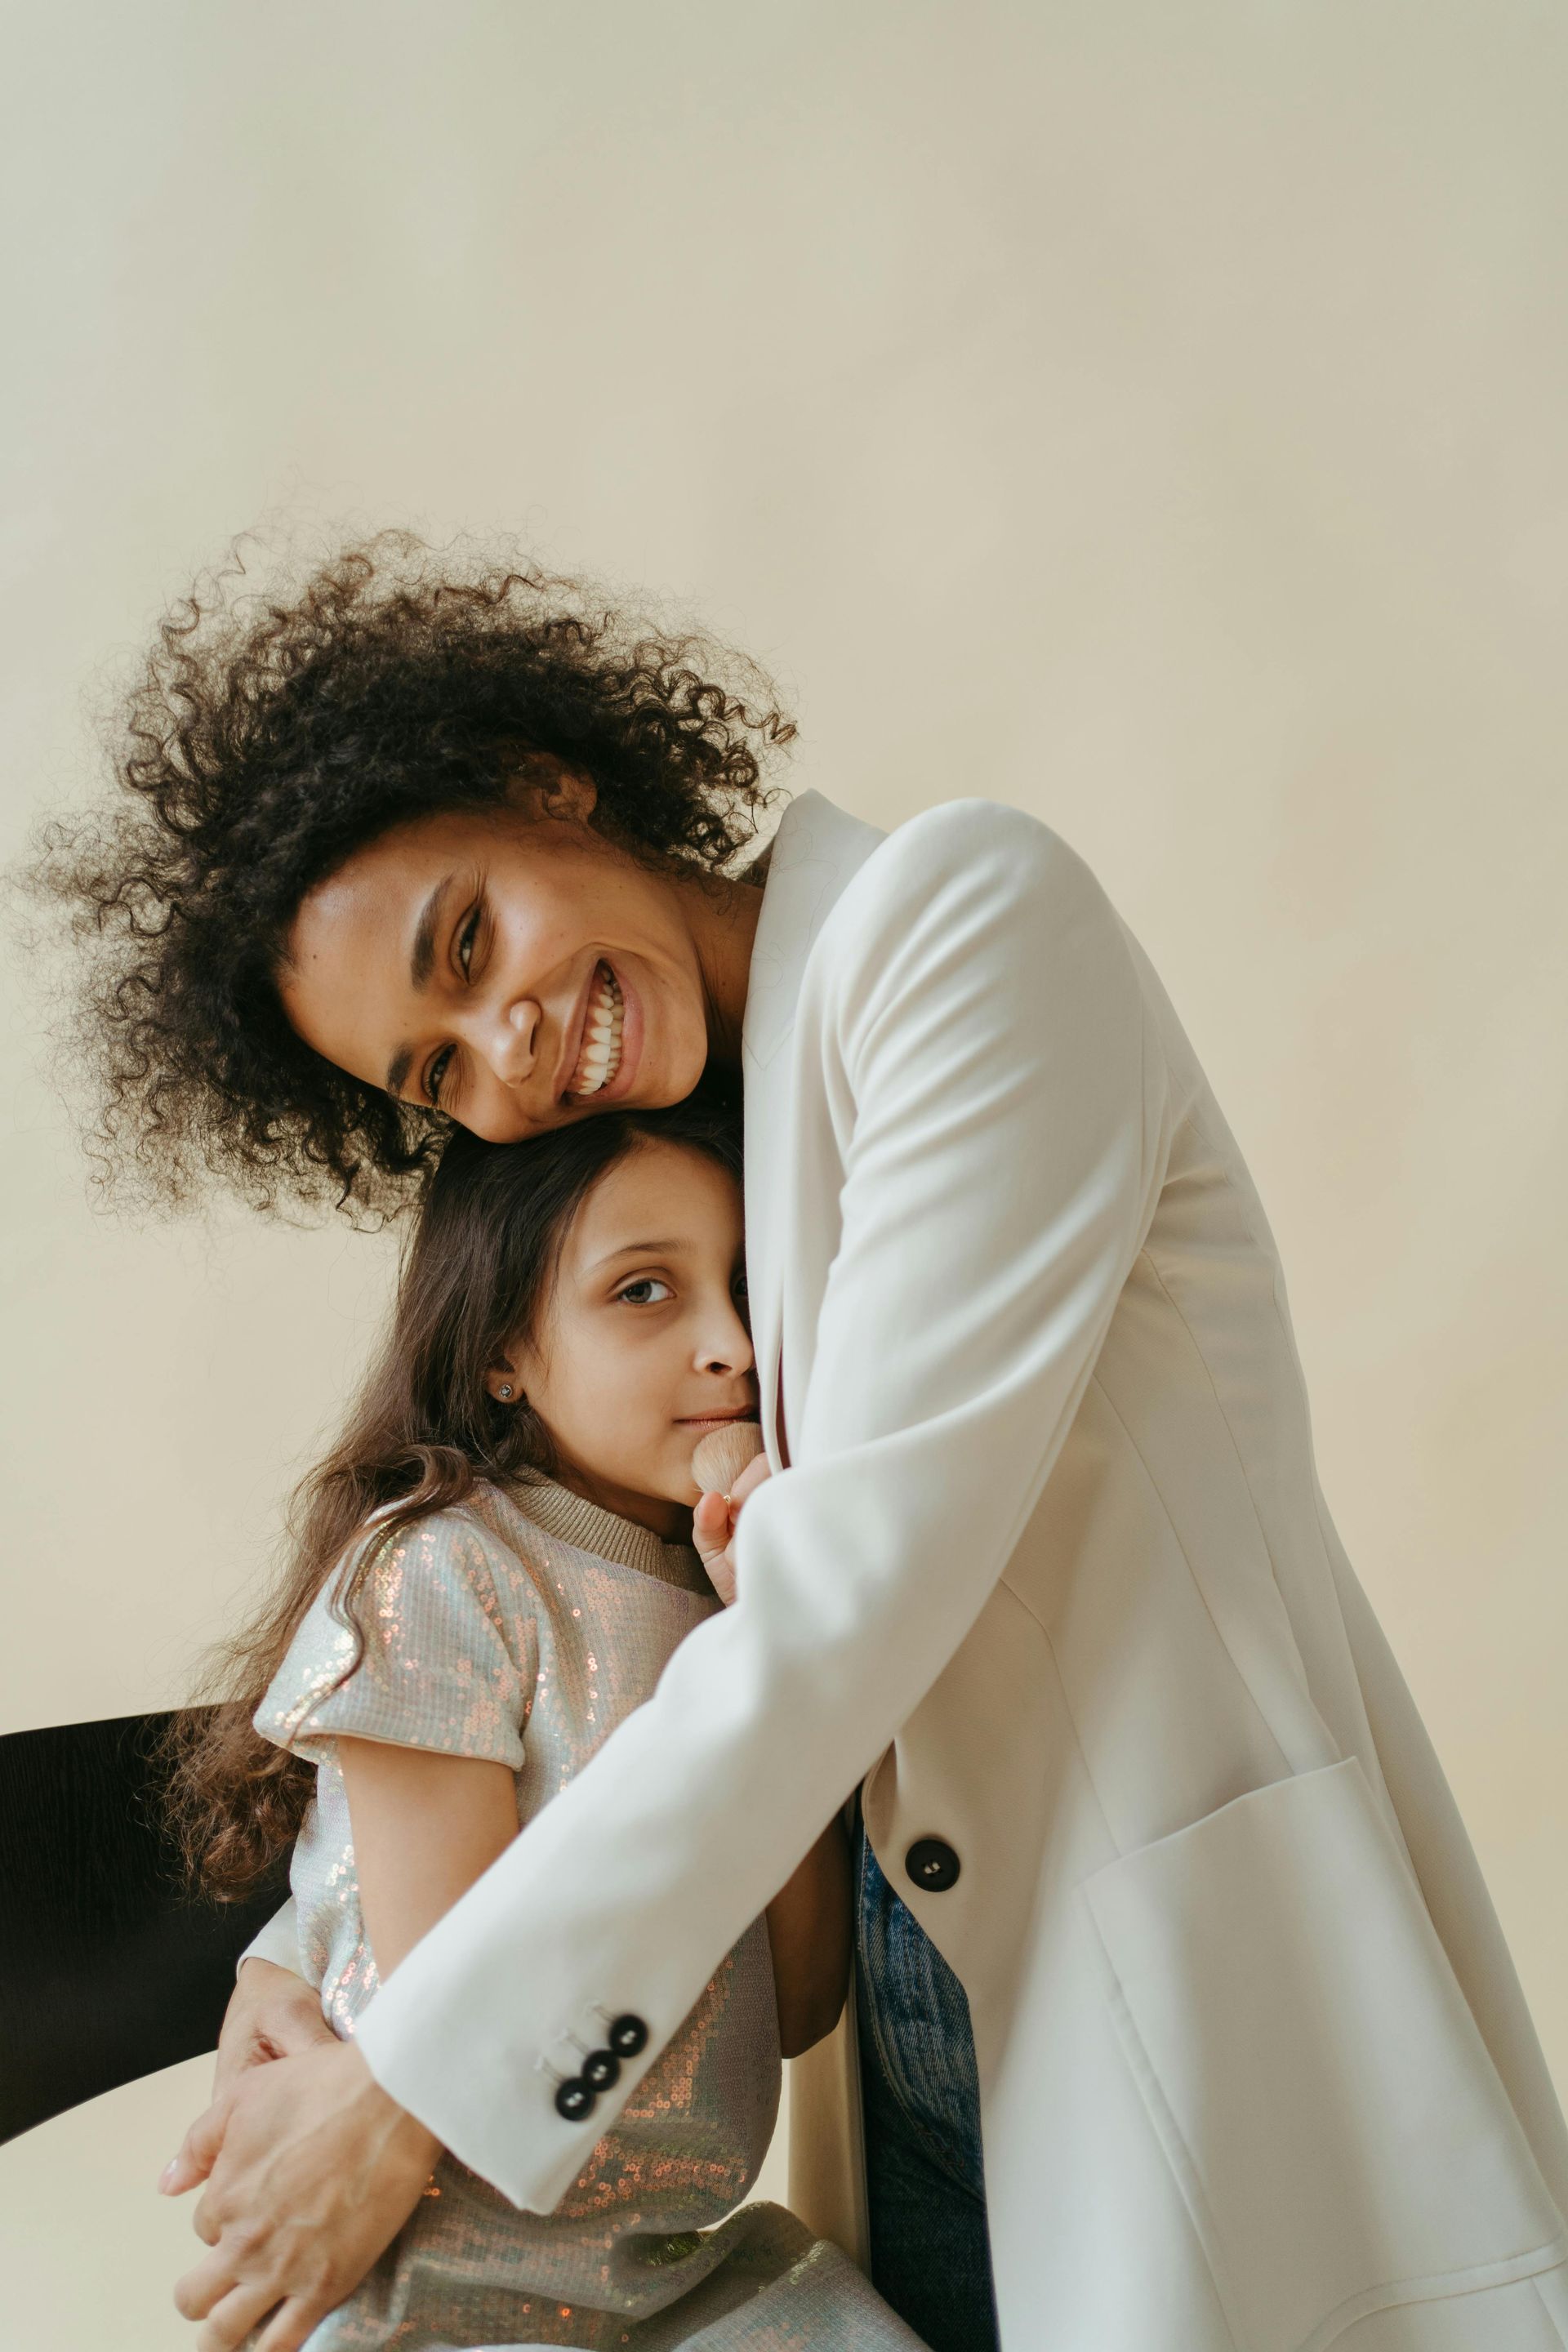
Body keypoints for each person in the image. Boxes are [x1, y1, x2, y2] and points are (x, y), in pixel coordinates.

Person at [46, 535, 1568, 2352]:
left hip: (1172, 1996)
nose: (508, 1047)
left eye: (470, 944)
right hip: (918, 2083)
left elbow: (851, 1593)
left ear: (550, 781)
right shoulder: (697, 1169)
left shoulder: (963, 929)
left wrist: (414, 2089)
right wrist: (309, 1975)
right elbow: (558, 1603)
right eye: (437, 1071)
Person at [159, 1091, 921, 2350]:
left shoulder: (723, 1589)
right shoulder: (445, 1572)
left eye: (742, 1283)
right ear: (503, 1349)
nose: (732, 1342)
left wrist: (774, 1654)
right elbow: (465, 2008)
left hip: (680, 2274)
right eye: (643, 1291)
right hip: (443, 2291)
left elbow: (799, 2007)